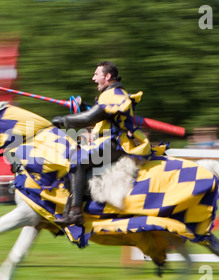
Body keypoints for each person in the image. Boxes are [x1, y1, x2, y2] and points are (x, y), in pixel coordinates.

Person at [52, 61, 152, 226]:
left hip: (115, 143)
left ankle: (76, 213)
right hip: (107, 141)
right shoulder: (111, 94)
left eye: (96, 75)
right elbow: (98, 113)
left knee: (77, 161)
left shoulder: (114, 95)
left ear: (107, 76)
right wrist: (82, 106)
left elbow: (89, 118)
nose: (93, 78)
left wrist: (63, 120)